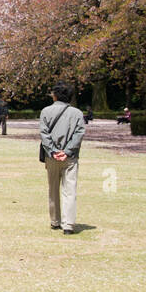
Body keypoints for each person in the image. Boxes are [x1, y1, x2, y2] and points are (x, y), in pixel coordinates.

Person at [40, 83, 86, 235]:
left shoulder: (46, 111)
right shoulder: (77, 113)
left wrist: (53, 151)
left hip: (51, 157)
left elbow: (44, 134)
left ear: (55, 95)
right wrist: (66, 151)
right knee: (70, 190)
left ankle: (55, 221)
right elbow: (79, 134)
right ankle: (68, 225)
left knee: (53, 189)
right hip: (70, 157)